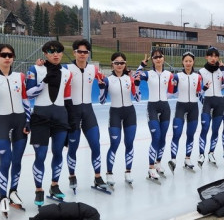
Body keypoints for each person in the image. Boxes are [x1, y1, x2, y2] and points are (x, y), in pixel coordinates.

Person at [0, 44, 31, 216]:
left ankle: (13, 193)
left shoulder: (20, 76)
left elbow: (25, 100)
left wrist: (28, 121)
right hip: (3, 122)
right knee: (6, 161)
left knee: (17, 161)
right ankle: (2, 197)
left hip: (20, 122)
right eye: (3, 54)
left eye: (10, 54)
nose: (7, 58)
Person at [26, 41, 72, 206]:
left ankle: (55, 185)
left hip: (60, 117)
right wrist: (45, 80)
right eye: (51, 51)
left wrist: (71, 120)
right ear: (45, 53)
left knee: (58, 153)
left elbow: (67, 98)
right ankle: (39, 190)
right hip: (40, 117)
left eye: (59, 51)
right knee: (40, 155)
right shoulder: (35, 69)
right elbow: (30, 94)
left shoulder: (66, 72)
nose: (56, 54)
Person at [63, 40, 106, 190]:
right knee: (72, 147)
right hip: (73, 113)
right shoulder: (66, 69)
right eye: (79, 51)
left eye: (85, 52)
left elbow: (104, 86)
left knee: (96, 145)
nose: (82, 54)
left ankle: (98, 177)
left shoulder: (94, 69)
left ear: (88, 54)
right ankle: (72, 175)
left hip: (88, 111)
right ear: (74, 52)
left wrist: (102, 88)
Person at [99, 52, 139, 184]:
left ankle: (128, 172)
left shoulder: (130, 78)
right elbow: (102, 101)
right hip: (115, 113)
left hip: (130, 113)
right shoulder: (107, 80)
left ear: (125, 64)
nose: (119, 65)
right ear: (112, 64)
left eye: (122, 62)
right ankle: (109, 173)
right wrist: (101, 88)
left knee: (129, 143)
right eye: (117, 62)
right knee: (114, 144)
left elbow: (138, 98)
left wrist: (137, 85)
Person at [135, 49, 174, 180]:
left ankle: (158, 163)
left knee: (162, 138)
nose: (158, 59)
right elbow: (136, 76)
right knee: (156, 136)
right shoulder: (148, 73)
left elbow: (174, 88)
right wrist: (142, 65)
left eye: (160, 56)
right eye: (155, 57)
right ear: (152, 59)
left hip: (165, 107)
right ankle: (151, 168)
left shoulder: (169, 74)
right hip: (152, 107)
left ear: (163, 58)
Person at [167, 51, 202, 173]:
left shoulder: (197, 77)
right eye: (186, 61)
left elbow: (198, 92)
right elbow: (171, 92)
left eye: (190, 61)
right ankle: (173, 159)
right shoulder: (177, 76)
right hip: (180, 106)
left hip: (193, 107)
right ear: (182, 62)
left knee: (191, 134)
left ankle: (187, 159)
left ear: (193, 62)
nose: (188, 63)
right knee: (177, 133)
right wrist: (171, 85)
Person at [197, 46, 224, 167]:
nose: (213, 58)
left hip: (219, 103)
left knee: (215, 130)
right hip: (207, 102)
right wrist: (203, 97)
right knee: (205, 128)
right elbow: (197, 92)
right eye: (211, 56)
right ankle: (201, 154)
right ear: (206, 57)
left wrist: (222, 71)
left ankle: (211, 153)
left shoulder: (221, 71)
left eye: (216, 56)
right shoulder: (201, 71)